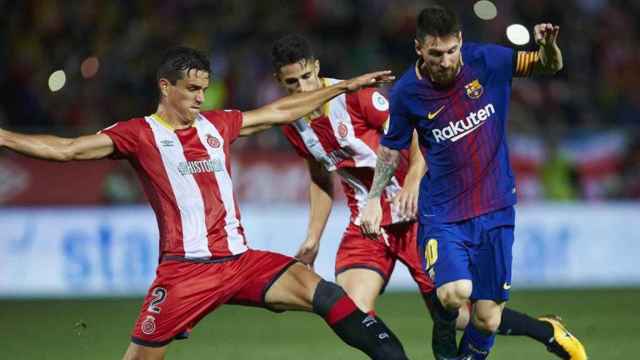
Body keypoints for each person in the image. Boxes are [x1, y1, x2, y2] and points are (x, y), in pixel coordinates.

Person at [0, 46, 409, 360]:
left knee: (327, 295)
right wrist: (5, 137)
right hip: (185, 273)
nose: (201, 97)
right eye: (192, 89)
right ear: (166, 87)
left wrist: (339, 86)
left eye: (203, 88)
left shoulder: (217, 124)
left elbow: (277, 112)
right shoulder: (138, 135)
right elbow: (68, 150)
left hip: (240, 261)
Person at [274, 34, 587, 360]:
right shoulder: (291, 122)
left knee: (463, 316)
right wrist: (313, 237)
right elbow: (320, 174)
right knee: (353, 311)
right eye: (291, 83)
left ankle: (547, 331)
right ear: (279, 82)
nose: (302, 89)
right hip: (368, 221)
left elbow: (415, 132)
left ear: (317, 68)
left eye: (306, 77)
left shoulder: (357, 98)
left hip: (416, 214)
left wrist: (411, 182)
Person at [360, 4, 587, 360]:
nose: (447, 61)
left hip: (496, 206)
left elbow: (549, 65)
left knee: (487, 319)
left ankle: (549, 330)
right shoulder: (406, 93)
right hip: (443, 214)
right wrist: (374, 198)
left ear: (461, 42)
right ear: (419, 48)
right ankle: (443, 321)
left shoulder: (488, 61)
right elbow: (392, 150)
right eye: (436, 53)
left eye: (452, 51)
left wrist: (547, 47)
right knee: (454, 292)